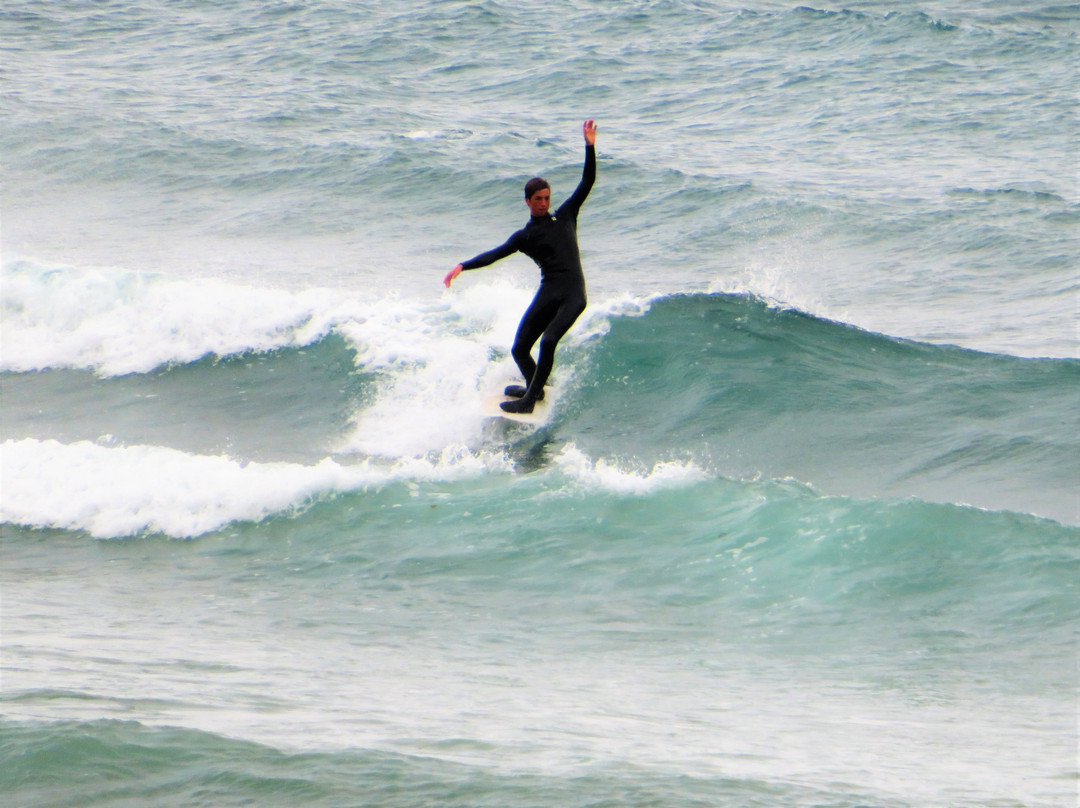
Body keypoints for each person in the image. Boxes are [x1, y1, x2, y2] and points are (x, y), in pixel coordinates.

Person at [444, 119, 598, 414]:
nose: (544, 203)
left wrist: (589, 146)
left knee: (549, 340)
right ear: (527, 202)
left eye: (547, 198)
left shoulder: (565, 216)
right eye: (538, 199)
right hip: (549, 290)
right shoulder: (525, 237)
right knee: (519, 348)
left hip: (573, 294)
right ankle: (534, 388)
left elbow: (587, 182)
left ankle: (529, 401)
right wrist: (463, 266)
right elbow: (495, 254)